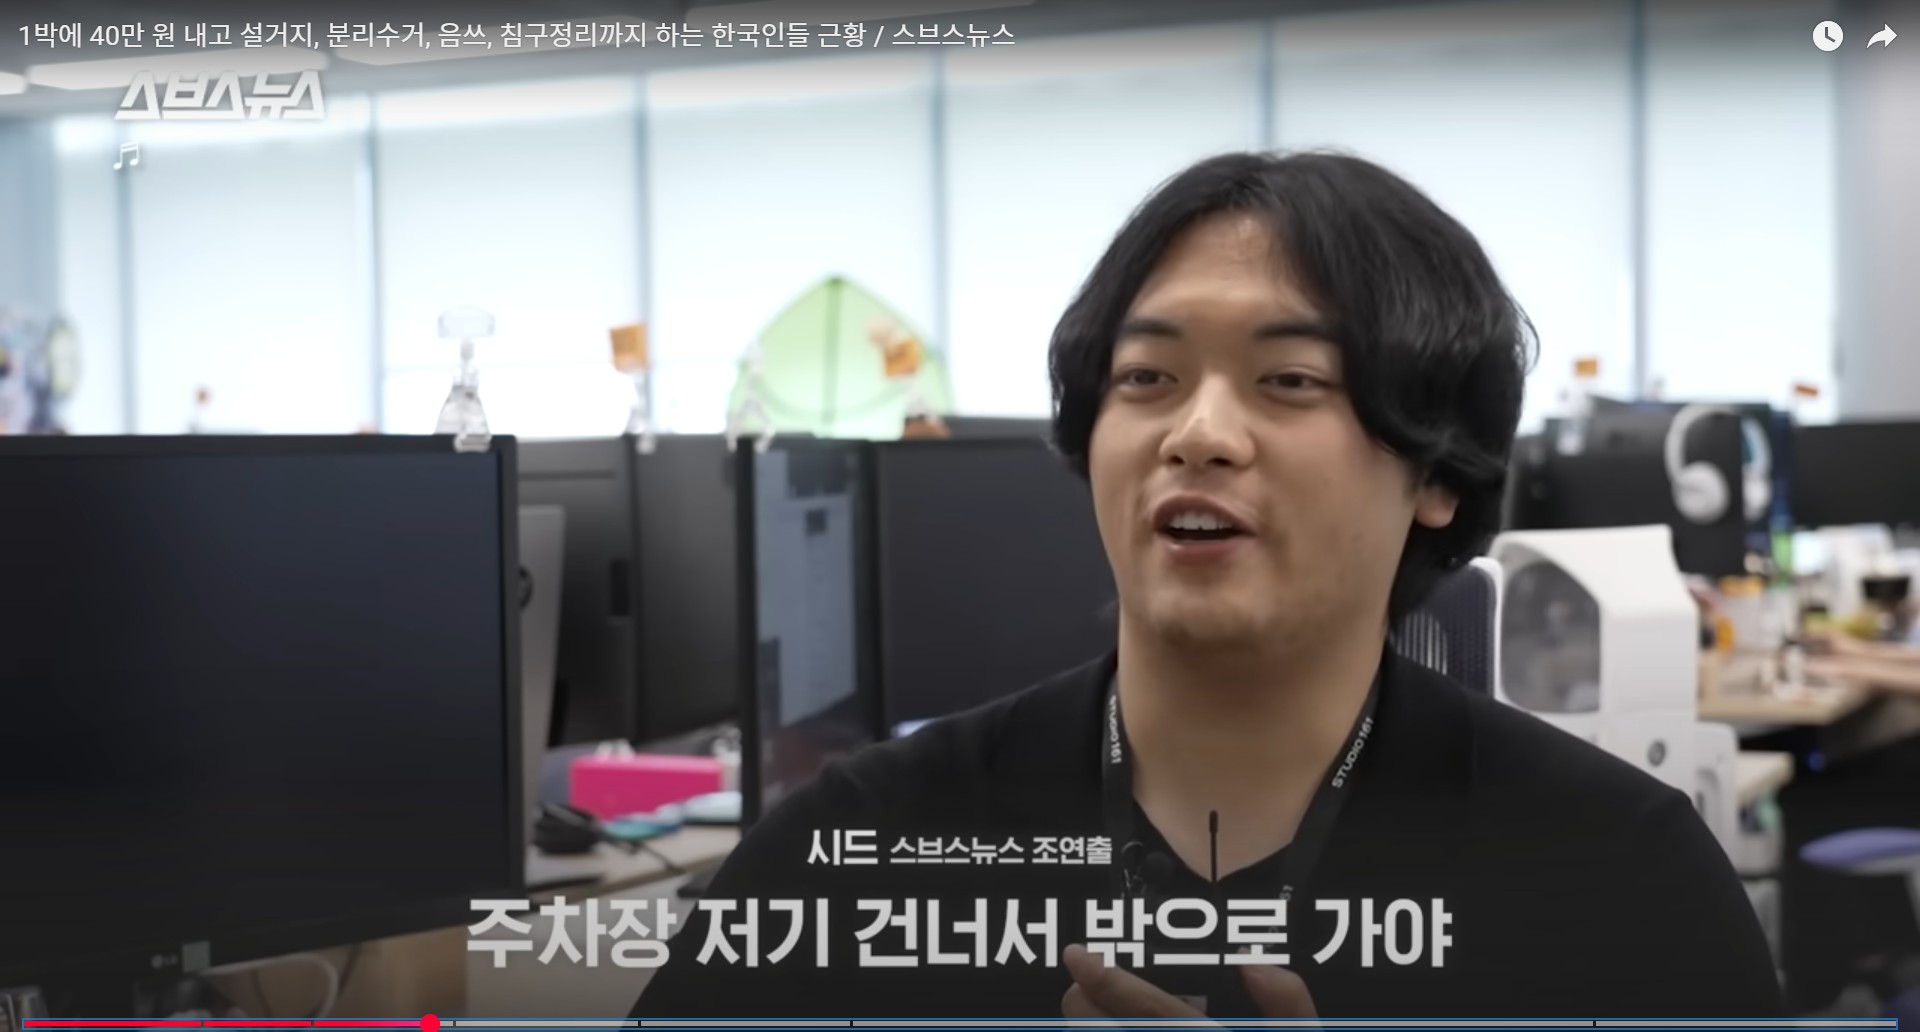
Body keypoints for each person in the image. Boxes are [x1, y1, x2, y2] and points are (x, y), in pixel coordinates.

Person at [631, 151, 1782, 1019]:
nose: (1199, 432)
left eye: (1290, 380)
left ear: (1436, 473)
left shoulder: (1615, 875)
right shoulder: (864, 848)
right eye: (1147, 377)